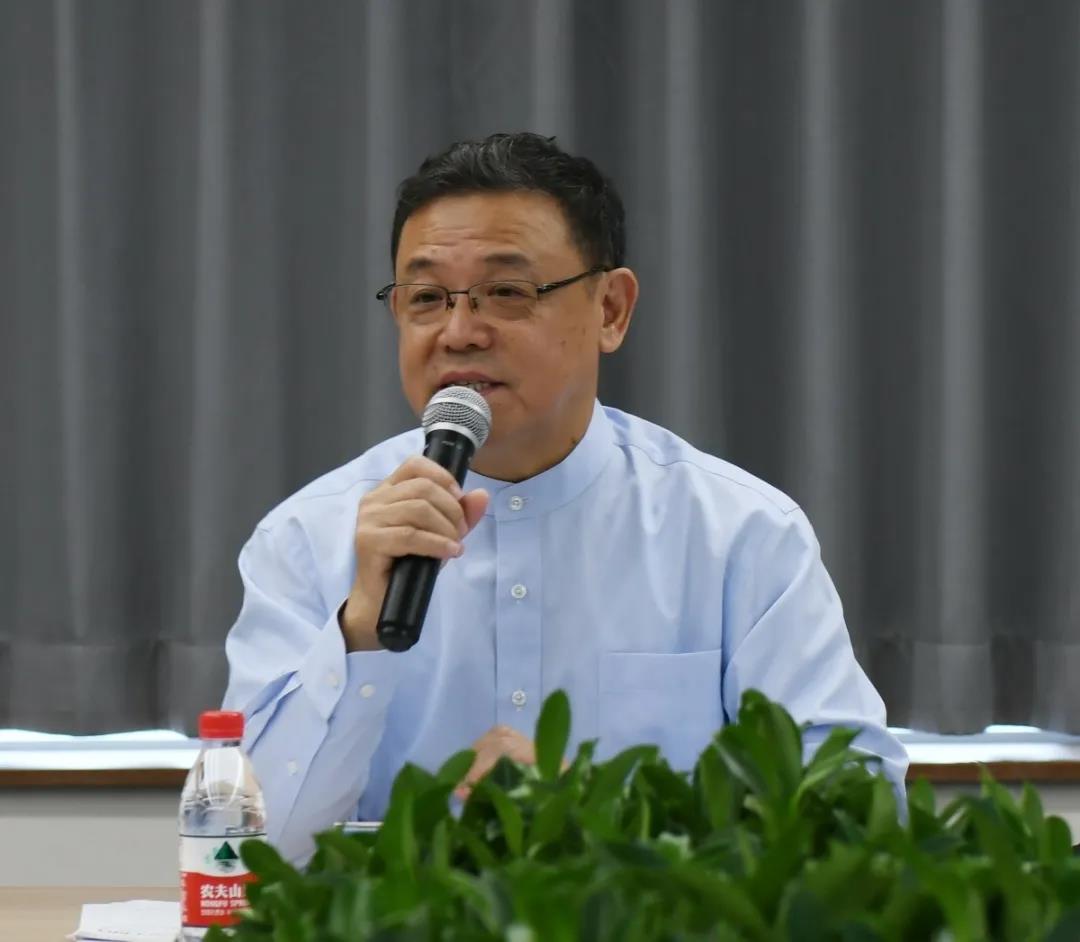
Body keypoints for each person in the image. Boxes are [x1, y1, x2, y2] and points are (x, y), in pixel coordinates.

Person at [222, 131, 907, 863]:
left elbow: (861, 820)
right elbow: (241, 847)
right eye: (426, 298)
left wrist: (607, 815)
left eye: (507, 293)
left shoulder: (741, 537)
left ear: (611, 308)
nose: (459, 332)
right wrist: (358, 632)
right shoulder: (308, 538)